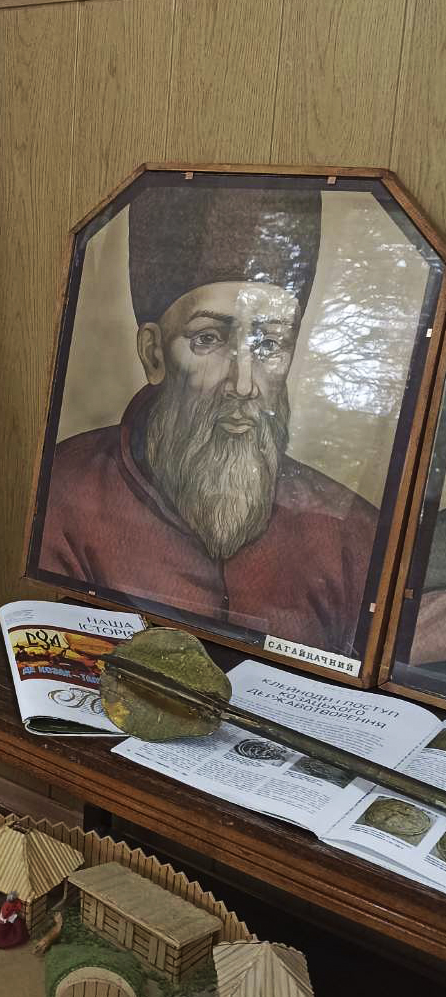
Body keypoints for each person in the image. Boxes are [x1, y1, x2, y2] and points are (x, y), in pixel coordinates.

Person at [36, 184, 378, 656]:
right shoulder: (65, 496)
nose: (243, 383)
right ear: (154, 354)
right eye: (208, 339)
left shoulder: (350, 533)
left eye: (269, 345)